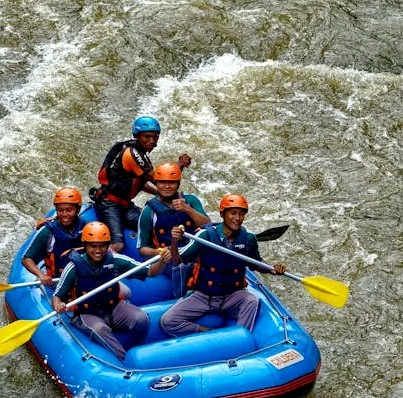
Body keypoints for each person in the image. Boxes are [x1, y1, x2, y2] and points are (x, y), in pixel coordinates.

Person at [161, 194, 285, 337]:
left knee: (251, 300)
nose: (237, 218)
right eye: (233, 213)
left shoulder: (248, 239)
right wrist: (175, 241)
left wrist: (272, 269)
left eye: (241, 214)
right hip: (203, 296)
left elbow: (256, 264)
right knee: (167, 321)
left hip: (232, 296)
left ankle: (239, 338)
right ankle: (207, 332)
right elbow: (177, 261)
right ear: (222, 214)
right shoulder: (205, 236)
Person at [52, 221, 170, 361]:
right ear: (85, 245)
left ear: (108, 245)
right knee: (99, 329)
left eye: (102, 246)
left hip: (112, 306)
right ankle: (124, 360)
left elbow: (150, 272)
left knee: (141, 318)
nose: (98, 250)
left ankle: (138, 350)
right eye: (93, 246)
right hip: (86, 312)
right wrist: (58, 305)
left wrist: (163, 261)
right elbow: (57, 297)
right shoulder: (73, 267)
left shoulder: (115, 260)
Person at [92, 115, 192, 253]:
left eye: (155, 137)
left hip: (125, 205)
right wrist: (179, 165)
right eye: (147, 136)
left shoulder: (141, 154)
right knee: (118, 245)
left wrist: (158, 193)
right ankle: (104, 268)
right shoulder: (132, 154)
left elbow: (140, 182)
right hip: (109, 204)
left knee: (153, 224)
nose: (151, 141)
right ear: (137, 136)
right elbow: (157, 178)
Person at [136, 162, 208, 297]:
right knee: (180, 266)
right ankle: (184, 297)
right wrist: (159, 252)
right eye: (162, 182)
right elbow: (142, 249)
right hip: (169, 258)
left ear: (178, 184)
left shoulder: (190, 200)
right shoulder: (148, 212)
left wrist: (188, 209)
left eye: (172, 182)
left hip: (195, 252)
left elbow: (207, 225)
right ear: (156, 184)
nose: (167, 186)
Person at [21, 186, 86, 286]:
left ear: (78, 210)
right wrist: (41, 275)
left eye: (69, 210)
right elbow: (27, 259)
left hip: (82, 275)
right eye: (60, 210)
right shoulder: (48, 232)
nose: (64, 214)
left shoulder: (85, 226)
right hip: (58, 280)